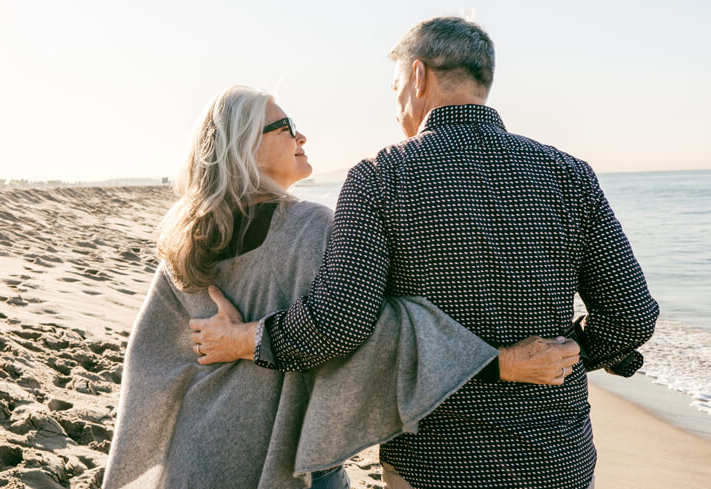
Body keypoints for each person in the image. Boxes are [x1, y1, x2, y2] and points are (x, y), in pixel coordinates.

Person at [192, 17, 658, 489]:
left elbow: (339, 324)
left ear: (417, 77)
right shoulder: (569, 173)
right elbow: (632, 317)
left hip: (438, 460)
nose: (398, 108)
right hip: (557, 458)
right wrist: (569, 352)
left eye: (396, 88)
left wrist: (244, 338)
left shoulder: (380, 177)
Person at [102, 86, 580, 489]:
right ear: (245, 145)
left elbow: (150, 357)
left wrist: (229, 344)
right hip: (290, 453)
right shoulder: (313, 227)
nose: (301, 135)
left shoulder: (186, 238)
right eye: (285, 127)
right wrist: (498, 361)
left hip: (198, 450)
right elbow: (372, 333)